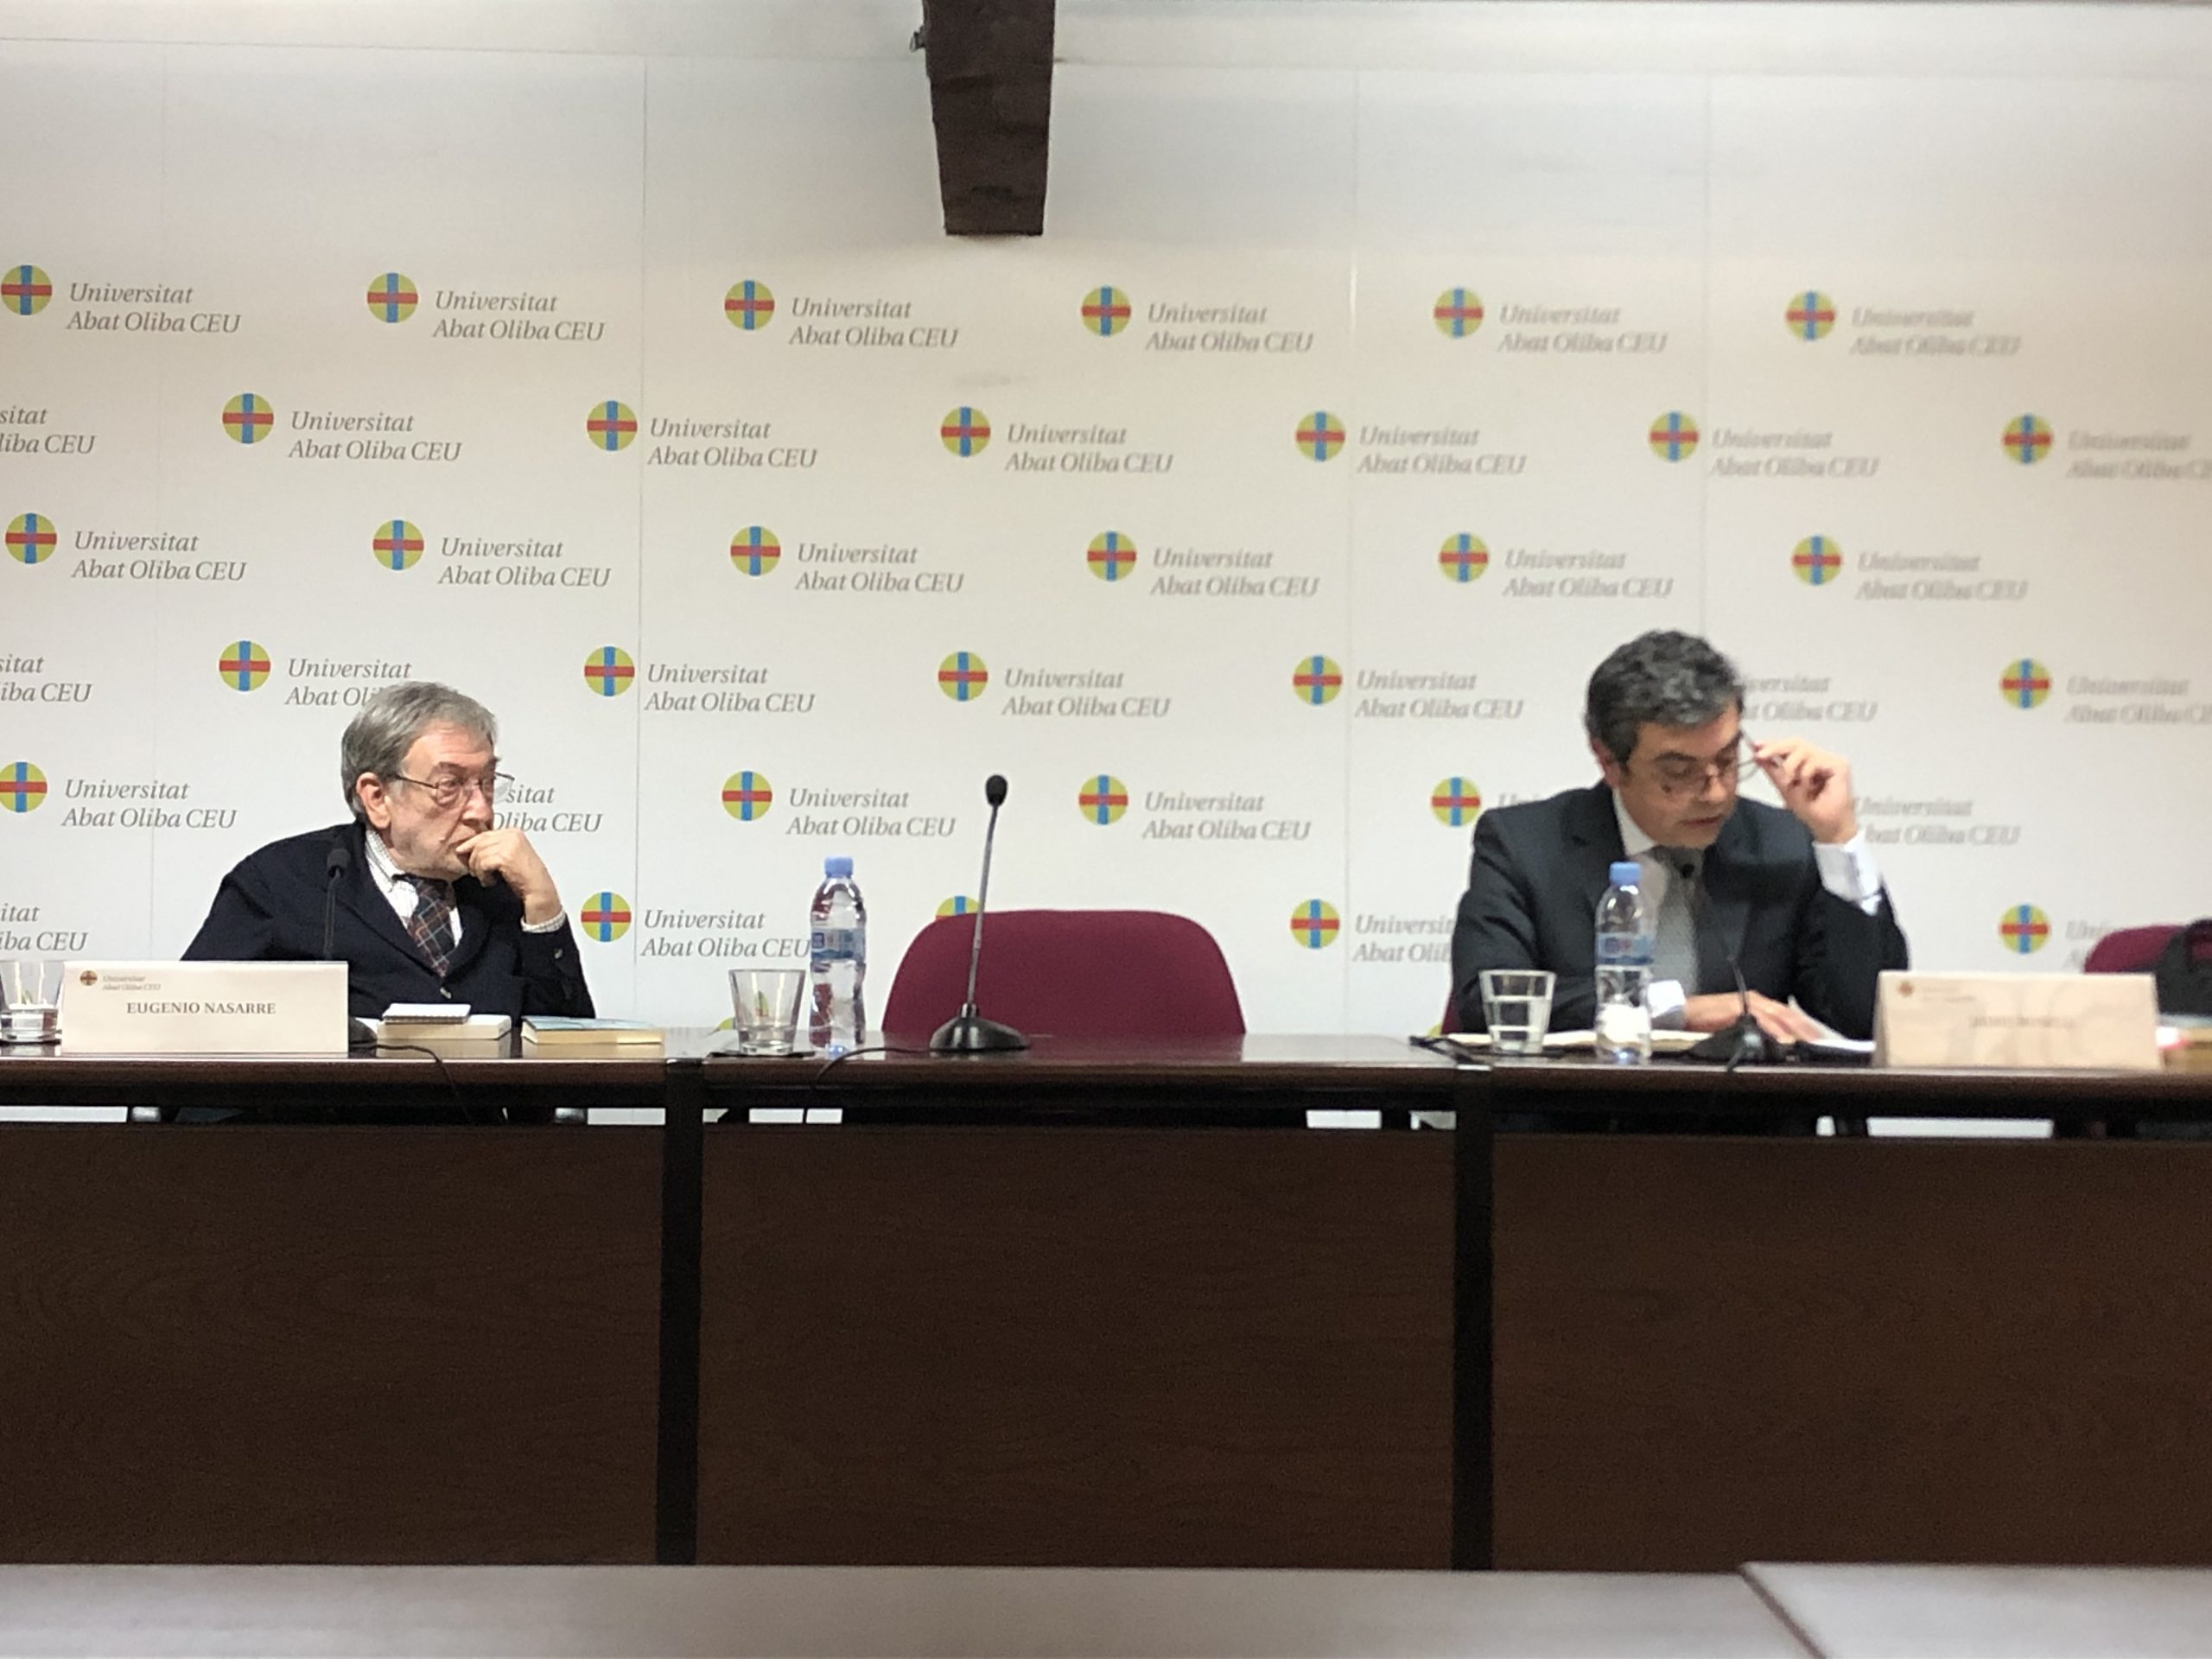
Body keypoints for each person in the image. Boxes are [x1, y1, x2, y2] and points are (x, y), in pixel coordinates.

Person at [1450, 630, 1907, 1043]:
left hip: (1743, 1109)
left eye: (1727, 760)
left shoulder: (1781, 845)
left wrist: (1838, 838)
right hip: (1578, 1107)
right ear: (1609, 762)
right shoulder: (1524, 845)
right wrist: (1677, 1011)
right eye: (1678, 773)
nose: (1716, 793)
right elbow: (1491, 1004)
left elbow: (1865, 1016)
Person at [185, 681, 594, 1022]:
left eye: (486, 783)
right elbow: (188, 1023)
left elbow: (572, 1057)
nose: (481, 811)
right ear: (377, 797)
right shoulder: (280, 882)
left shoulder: (504, 889)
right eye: (450, 785)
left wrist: (543, 906)